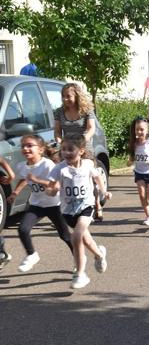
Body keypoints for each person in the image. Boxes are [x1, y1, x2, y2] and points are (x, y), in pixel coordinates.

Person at [40, 135, 111, 290]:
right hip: (67, 211)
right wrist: (52, 191)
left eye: (70, 149)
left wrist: (104, 191)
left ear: (81, 151)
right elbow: (51, 189)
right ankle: (99, 255)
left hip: (86, 206)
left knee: (77, 236)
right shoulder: (59, 169)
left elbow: (97, 176)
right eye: (63, 149)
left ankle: (80, 273)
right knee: (86, 240)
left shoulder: (87, 165)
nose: (66, 152)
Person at [9, 135, 73, 272]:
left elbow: (56, 185)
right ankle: (32, 255)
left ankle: (79, 260)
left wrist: (36, 180)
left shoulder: (47, 164)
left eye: (30, 145)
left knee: (65, 236)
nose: (25, 148)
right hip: (36, 204)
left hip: (54, 205)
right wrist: (15, 193)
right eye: (23, 146)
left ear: (41, 149)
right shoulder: (22, 166)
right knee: (23, 229)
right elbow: (24, 179)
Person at [54, 83, 103, 221]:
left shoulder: (87, 110)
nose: (65, 99)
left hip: (83, 148)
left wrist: (82, 140)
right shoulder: (59, 112)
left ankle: (97, 205)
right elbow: (57, 131)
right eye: (63, 96)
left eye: (68, 96)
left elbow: (91, 128)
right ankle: (68, 209)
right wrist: (60, 141)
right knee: (67, 179)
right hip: (67, 150)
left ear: (76, 95)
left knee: (91, 179)